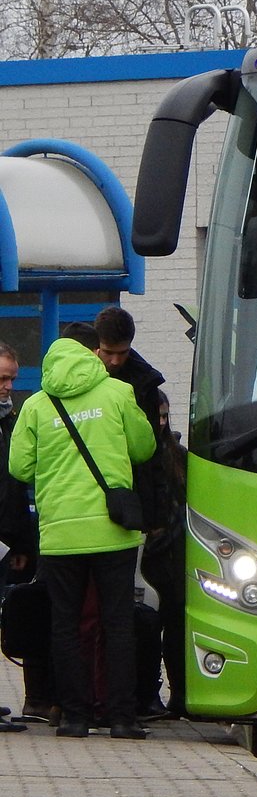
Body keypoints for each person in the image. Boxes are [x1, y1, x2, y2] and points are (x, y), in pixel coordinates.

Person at [8, 336, 156, 739]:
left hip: (60, 533)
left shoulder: (37, 405)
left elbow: (20, 467)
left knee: (66, 625)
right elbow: (144, 447)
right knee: (118, 623)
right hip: (113, 530)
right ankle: (122, 718)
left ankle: (75, 717)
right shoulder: (118, 391)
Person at [92, 306, 173, 718]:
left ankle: (135, 695)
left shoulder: (142, 383)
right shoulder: (85, 377)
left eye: (122, 353)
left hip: (129, 510)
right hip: (93, 508)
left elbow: (149, 458)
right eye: (109, 353)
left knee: (132, 610)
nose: (115, 361)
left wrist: (155, 515)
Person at [137, 389, 186, 717]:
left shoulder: (178, 455)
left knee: (177, 625)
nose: (162, 422)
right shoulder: (139, 453)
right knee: (149, 626)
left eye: (166, 415)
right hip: (149, 553)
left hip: (178, 552)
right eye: (158, 415)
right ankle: (148, 694)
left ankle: (180, 693)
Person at [0, 342, 34, 732]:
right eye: (2, 378)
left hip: (5, 538)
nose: (8, 386)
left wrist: (21, 544)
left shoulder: (10, 420)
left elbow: (15, 487)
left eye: (11, 378)